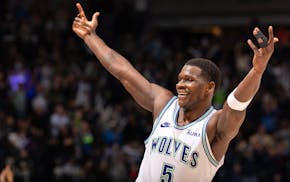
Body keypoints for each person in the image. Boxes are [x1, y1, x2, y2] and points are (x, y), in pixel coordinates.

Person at [72, 3, 279, 181]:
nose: (180, 84)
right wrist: (90, 37)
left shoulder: (214, 124)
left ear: (209, 88)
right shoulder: (163, 103)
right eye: (180, 78)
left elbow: (237, 105)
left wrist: (257, 70)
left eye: (189, 80)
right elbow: (122, 71)